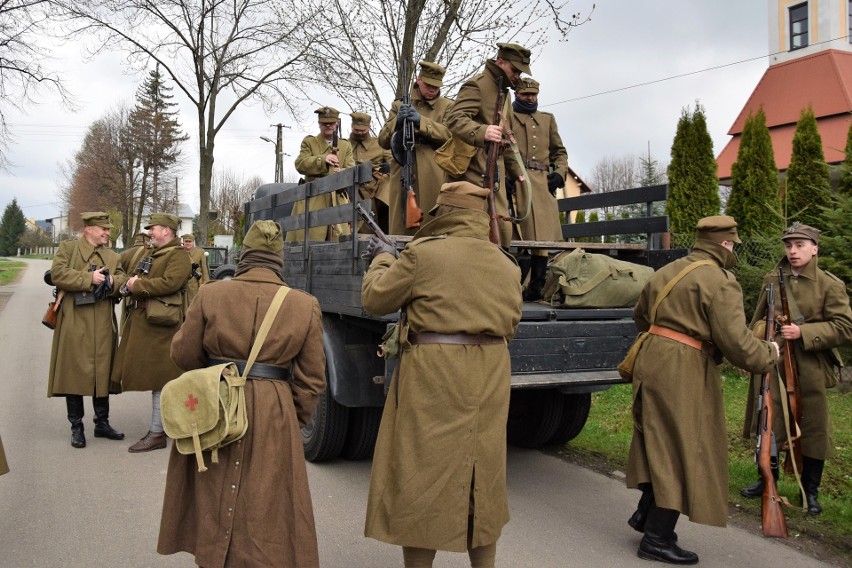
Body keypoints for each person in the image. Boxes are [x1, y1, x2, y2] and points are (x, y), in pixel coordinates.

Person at [362, 181, 523, 568]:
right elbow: (511, 324)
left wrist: (383, 258)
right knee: (481, 476)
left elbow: (375, 299)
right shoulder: (506, 263)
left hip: (434, 374)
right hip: (491, 372)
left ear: (444, 214)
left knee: (422, 473)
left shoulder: (422, 255)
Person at [158, 220, 327, 568]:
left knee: (211, 491)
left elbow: (183, 355)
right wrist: (286, 418)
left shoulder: (211, 294)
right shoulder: (304, 305)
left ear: (244, 255)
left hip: (215, 405)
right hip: (274, 410)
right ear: (279, 259)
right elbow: (312, 380)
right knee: (264, 504)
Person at [626, 215, 779, 565]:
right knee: (684, 446)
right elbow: (737, 343)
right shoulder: (721, 281)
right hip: (684, 367)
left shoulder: (668, 270)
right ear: (726, 244)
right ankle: (656, 538)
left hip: (651, 358)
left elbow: (640, 315)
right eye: (733, 246)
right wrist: (769, 354)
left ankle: (645, 516)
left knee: (657, 440)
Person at [740, 222, 852, 515]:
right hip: (773, 361)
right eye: (789, 245)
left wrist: (804, 332)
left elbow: (845, 328)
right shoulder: (772, 278)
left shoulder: (830, 284)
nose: (792, 251)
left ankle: (810, 491)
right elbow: (757, 319)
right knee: (769, 421)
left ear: (815, 249)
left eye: (800, 245)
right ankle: (767, 481)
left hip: (810, 366)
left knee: (813, 426)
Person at [47, 211, 128, 448]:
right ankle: (77, 427)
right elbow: (58, 274)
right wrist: (88, 278)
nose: (107, 232)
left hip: (103, 321)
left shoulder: (112, 256)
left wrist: (113, 282)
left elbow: (123, 279)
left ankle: (102, 423)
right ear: (88, 229)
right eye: (103, 228)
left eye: (108, 229)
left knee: (102, 371)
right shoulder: (68, 249)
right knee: (75, 371)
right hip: (74, 319)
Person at [112, 213, 191, 453]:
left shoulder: (179, 256)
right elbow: (137, 276)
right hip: (145, 323)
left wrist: (138, 286)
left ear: (167, 230)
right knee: (156, 378)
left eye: (154, 229)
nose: (150, 233)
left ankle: (157, 433)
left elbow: (171, 283)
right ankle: (162, 429)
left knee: (160, 378)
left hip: (161, 327)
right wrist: (127, 284)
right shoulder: (153, 253)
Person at [444, 42, 531, 247]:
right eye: (515, 69)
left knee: (501, 230)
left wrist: (516, 170)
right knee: (471, 230)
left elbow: (507, 136)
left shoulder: (506, 93)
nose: (518, 75)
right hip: (472, 171)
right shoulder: (477, 85)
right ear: (500, 62)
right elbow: (454, 119)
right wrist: (483, 131)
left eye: (520, 72)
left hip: (495, 173)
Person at [378, 60, 453, 235]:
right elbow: (382, 140)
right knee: (401, 224)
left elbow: (450, 136)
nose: (432, 89)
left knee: (431, 222)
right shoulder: (399, 105)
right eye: (428, 84)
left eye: (436, 85)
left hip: (433, 169)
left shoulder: (447, 106)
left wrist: (421, 121)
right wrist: (398, 121)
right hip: (403, 166)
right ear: (419, 80)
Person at [510, 77, 568, 300]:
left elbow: (559, 152)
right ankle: (512, 286)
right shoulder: (508, 118)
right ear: (517, 94)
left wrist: (560, 174)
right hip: (517, 180)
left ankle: (536, 287)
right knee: (515, 235)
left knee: (542, 238)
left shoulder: (547, 119)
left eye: (534, 95)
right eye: (526, 95)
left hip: (542, 184)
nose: (531, 98)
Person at [286, 106, 356, 242]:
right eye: (324, 123)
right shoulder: (309, 142)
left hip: (337, 199)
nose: (328, 126)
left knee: (341, 240)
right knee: (310, 238)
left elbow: (351, 169)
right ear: (319, 124)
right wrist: (322, 159)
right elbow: (300, 164)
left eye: (331, 123)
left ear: (337, 123)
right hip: (313, 198)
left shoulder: (345, 145)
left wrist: (341, 172)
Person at [349, 111, 392, 231]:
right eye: (356, 130)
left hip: (377, 189)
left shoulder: (379, 144)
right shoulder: (345, 145)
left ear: (369, 127)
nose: (360, 133)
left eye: (363, 130)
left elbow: (393, 162)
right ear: (352, 127)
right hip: (353, 189)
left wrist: (389, 166)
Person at [181, 233, 210, 304]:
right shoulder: (180, 251)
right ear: (183, 242)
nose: (188, 243)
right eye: (186, 241)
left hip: (195, 282)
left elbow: (204, 268)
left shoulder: (200, 252)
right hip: (182, 281)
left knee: (194, 301)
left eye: (189, 242)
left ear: (193, 242)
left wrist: (205, 283)